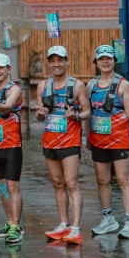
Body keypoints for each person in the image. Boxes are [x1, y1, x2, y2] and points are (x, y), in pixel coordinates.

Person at [86, 45, 129, 239]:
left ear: (114, 61)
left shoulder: (123, 84)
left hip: (119, 140)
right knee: (102, 181)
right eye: (101, 58)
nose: (105, 61)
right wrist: (87, 137)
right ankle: (108, 219)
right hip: (98, 140)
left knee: (123, 180)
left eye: (109, 58)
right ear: (96, 62)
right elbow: (89, 113)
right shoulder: (91, 85)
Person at [35, 46, 90, 245]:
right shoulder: (43, 86)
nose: (56, 64)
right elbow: (38, 114)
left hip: (70, 141)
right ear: (49, 63)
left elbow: (87, 111)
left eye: (60, 60)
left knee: (71, 183)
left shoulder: (77, 85)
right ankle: (64, 223)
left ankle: (75, 228)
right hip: (50, 141)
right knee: (58, 184)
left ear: (67, 61)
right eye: (53, 61)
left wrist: (76, 116)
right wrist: (40, 114)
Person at [0, 53, 25, 243]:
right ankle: (10, 223)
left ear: (9, 69)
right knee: (1, 188)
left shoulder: (13, 89)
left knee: (12, 187)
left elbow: (7, 107)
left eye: (0, 67)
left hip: (12, 146)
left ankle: (16, 227)